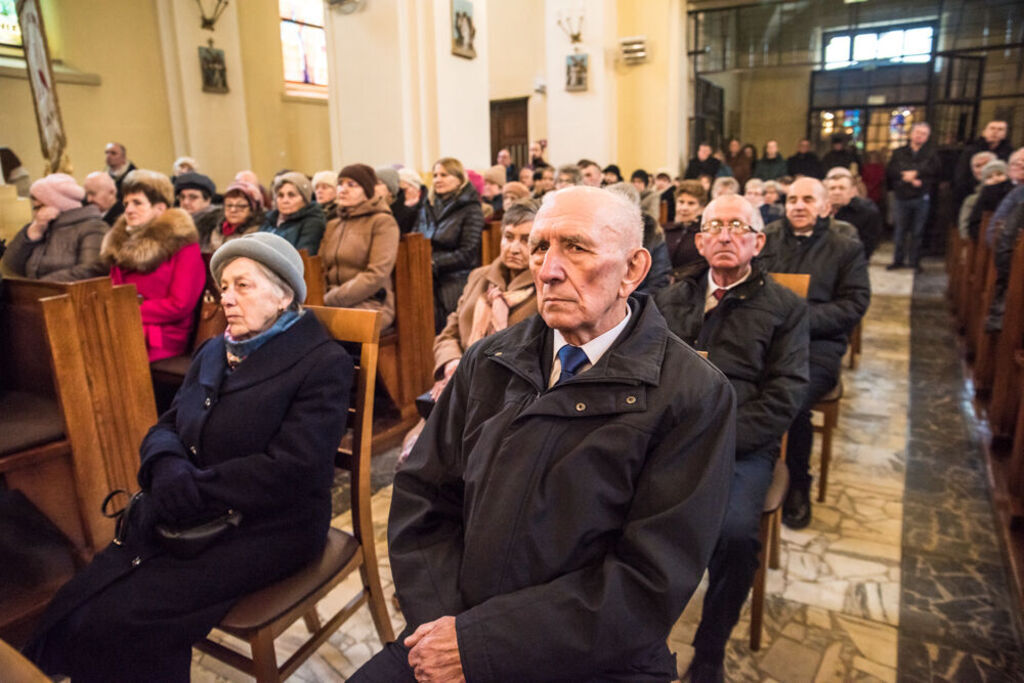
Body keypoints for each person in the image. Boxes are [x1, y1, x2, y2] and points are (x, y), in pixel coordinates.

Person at [351, 185, 734, 682]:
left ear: (633, 271)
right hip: (455, 620)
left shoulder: (693, 395)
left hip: (591, 655)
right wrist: (445, 629)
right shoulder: (489, 359)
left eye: (576, 247)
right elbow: (423, 498)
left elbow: (648, 583)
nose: (548, 269)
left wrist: (484, 646)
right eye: (538, 247)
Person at [25, 232, 353, 682]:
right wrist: (166, 466)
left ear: (283, 296)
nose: (227, 298)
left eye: (243, 285)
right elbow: (168, 424)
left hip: (270, 526)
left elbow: (296, 468)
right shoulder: (216, 349)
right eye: (223, 287)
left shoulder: (322, 362)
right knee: (81, 600)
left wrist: (192, 488)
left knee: (124, 623)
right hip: (191, 509)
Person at [655, 195, 808, 682]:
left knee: (737, 535)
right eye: (714, 226)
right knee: (611, 505)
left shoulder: (785, 307)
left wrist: (720, 439)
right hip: (670, 440)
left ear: (758, 242)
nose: (725, 234)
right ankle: (635, 632)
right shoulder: (670, 298)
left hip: (742, 445)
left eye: (738, 226)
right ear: (699, 240)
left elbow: (786, 396)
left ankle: (710, 649)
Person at [759, 177, 870, 529]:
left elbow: (855, 303)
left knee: (791, 398)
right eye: (792, 199)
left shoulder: (844, 246)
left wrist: (799, 319)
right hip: (767, 338)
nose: (798, 205)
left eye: (808, 199)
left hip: (818, 343)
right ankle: (754, 472)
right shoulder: (767, 238)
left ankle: (796, 483)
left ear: (825, 206)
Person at [430, 200, 539, 403]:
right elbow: (448, 334)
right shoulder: (479, 276)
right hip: (460, 379)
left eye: (526, 240)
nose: (514, 248)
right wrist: (451, 361)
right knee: (418, 435)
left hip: (511, 395)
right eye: (508, 237)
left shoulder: (545, 288)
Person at [99, 169, 206, 362]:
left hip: (163, 334)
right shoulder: (121, 243)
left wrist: (126, 311)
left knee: (105, 354)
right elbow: (113, 291)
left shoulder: (182, 244)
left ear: (160, 208)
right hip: (128, 325)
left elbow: (179, 305)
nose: (128, 210)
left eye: (137, 203)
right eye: (126, 204)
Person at [320, 164, 400, 327]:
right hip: (332, 302)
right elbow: (321, 267)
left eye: (352, 185)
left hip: (372, 303)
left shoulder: (382, 222)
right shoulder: (333, 224)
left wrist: (333, 298)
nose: (343, 189)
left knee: (320, 331)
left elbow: (377, 274)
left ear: (367, 191)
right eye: (340, 184)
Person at [415, 157, 485, 332]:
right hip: (425, 275)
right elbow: (415, 238)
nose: (438, 179)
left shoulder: (471, 209)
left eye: (444, 175)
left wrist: (433, 263)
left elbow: (467, 253)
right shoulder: (427, 206)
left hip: (455, 278)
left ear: (459, 179)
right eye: (435, 175)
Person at [1, 173, 109, 281]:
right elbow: (9, 267)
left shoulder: (94, 227)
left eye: (38, 207)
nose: (36, 214)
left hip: (69, 296)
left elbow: (92, 270)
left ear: (57, 205)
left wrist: (40, 287)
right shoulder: (41, 227)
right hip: (36, 295)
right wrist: (31, 234)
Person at [886, 122, 939, 271]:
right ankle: (898, 260)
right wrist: (905, 177)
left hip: (921, 196)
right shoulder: (899, 152)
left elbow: (934, 171)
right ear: (911, 134)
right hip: (901, 196)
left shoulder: (931, 154)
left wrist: (917, 175)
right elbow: (891, 171)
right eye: (917, 132)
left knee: (917, 231)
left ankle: (914, 261)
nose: (919, 136)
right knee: (900, 231)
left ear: (927, 137)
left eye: (923, 134)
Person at [607, 182, 671, 294]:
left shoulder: (653, 235)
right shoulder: (597, 232)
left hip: (636, 303)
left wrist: (626, 302)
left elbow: (658, 284)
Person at [260, 172, 326, 255]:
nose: (285, 200)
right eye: (280, 195)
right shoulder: (270, 219)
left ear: (305, 199)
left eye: (291, 195)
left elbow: (302, 257)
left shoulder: (313, 222)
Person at [953, 120, 1013, 208]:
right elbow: (961, 176)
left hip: (997, 198)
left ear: (1005, 134)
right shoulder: (970, 151)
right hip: (971, 193)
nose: (995, 132)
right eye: (992, 128)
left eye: (1000, 129)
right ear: (984, 132)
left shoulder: (1009, 153)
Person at [827, 170, 883, 260]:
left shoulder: (868, 211)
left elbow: (868, 246)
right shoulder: (817, 211)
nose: (837, 192)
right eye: (832, 188)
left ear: (852, 191)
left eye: (842, 188)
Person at [203, 180, 264, 254]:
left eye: (241, 206)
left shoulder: (256, 234)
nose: (233, 210)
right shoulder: (217, 229)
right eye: (229, 205)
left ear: (252, 210)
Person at [665, 180, 708, 282]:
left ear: (702, 208)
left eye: (691, 203)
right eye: (681, 202)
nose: (684, 208)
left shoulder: (703, 234)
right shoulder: (666, 230)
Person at [957, 151, 998, 238]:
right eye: (977, 166)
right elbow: (964, 230)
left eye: (986, 164)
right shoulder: (972, 198)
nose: (982, 169)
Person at [174, 172, 220, 245]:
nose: (185, 202)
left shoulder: (217, 224)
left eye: (193, 197)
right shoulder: (174, 221)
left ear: (207, 200)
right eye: (182, 197)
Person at [397, 167, 426, 234]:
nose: (401, 194)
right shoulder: (397, 204)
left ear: (415, 187)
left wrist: (409, 209)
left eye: (404, 190)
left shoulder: (429, 202)